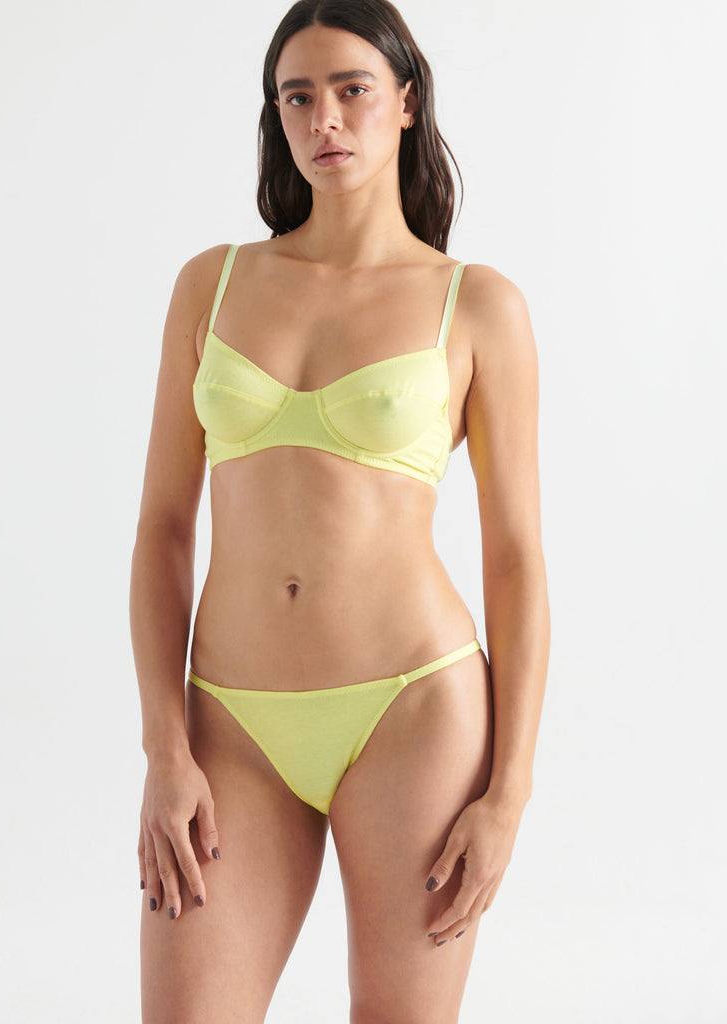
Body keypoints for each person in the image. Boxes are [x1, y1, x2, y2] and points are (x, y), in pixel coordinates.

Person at [130, 0, 550, 1020]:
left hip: (414, 712)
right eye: (297, 96)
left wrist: (508, 792)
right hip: (230, 722)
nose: (323, 118)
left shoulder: (475, 304)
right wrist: (164, 749)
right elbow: (163, 530)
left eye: (352, 89)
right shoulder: (211, 284)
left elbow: (514, 557)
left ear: (405, 101)